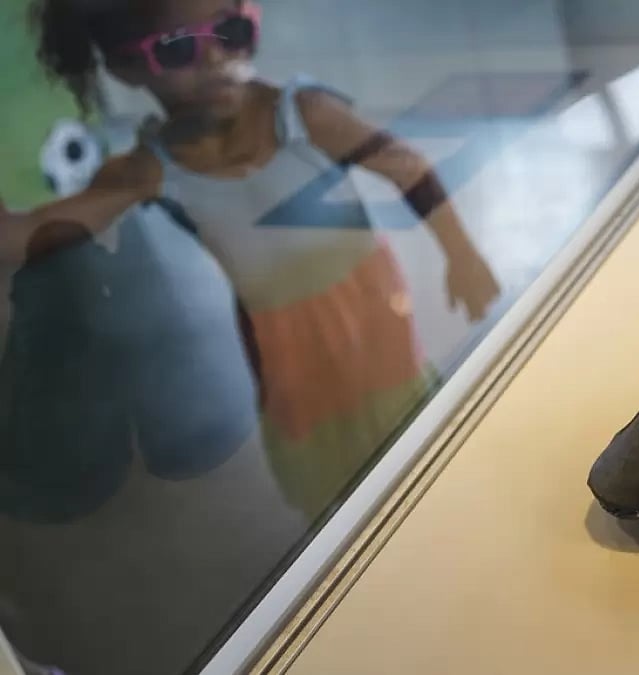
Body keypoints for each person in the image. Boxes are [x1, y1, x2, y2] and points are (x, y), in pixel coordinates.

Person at [6, 0, 500, 518]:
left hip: (371, 315)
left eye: (233, 30)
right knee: (326, 479)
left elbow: (404, 165)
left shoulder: (303, 113)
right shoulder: (149, 168)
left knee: (417, 439)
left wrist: (461, 255)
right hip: (280, 345)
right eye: (179, 48)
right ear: (126, 67)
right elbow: (31, 235)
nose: (218, 58)